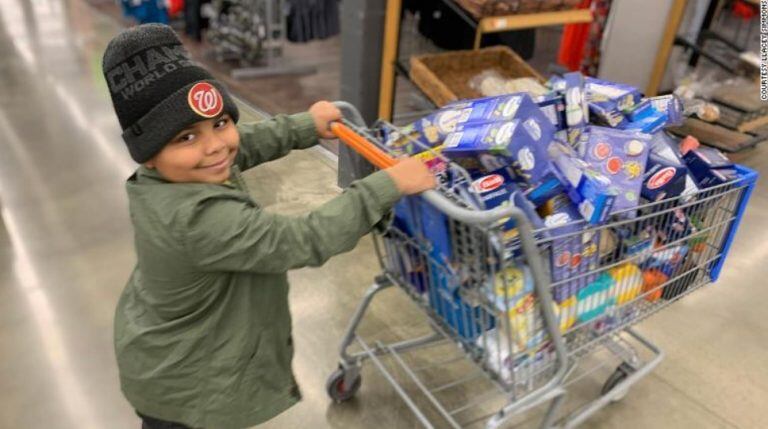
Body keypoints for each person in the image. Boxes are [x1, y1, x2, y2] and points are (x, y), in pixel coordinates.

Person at [102, 23, 435, 429]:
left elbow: (245, 142)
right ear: (147, 154)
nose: (215, 147)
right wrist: (387, 185)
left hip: (168, 351)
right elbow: (301, 240)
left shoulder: (180, 173)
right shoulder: (196, 218)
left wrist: (304, 126)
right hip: (188, 384)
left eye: (221, 123)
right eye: (187, 137)